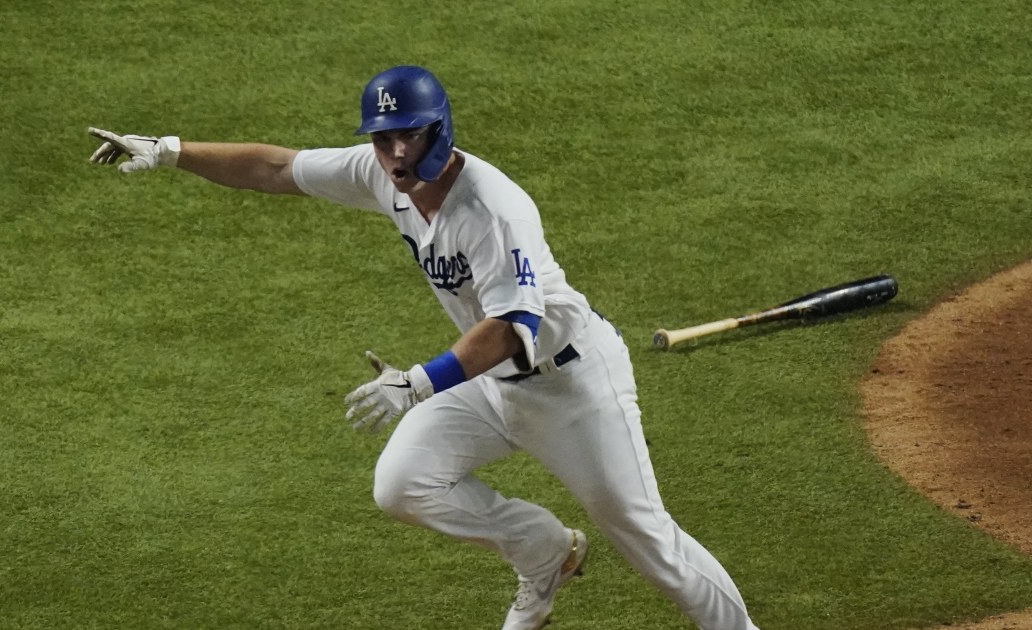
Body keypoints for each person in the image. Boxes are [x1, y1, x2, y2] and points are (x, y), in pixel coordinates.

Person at [88, 65, 759, 630]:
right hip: (492, 383)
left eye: (408, 134)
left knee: (650, 543)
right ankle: (543, 551)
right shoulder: (383, 173)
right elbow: (278, 167)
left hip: (572, 384)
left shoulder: (494, 210)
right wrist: (174, 150)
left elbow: (511, 326)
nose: (395, 153)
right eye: (382, 139)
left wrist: (421, 382)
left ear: (440, 128)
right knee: (401, 485)